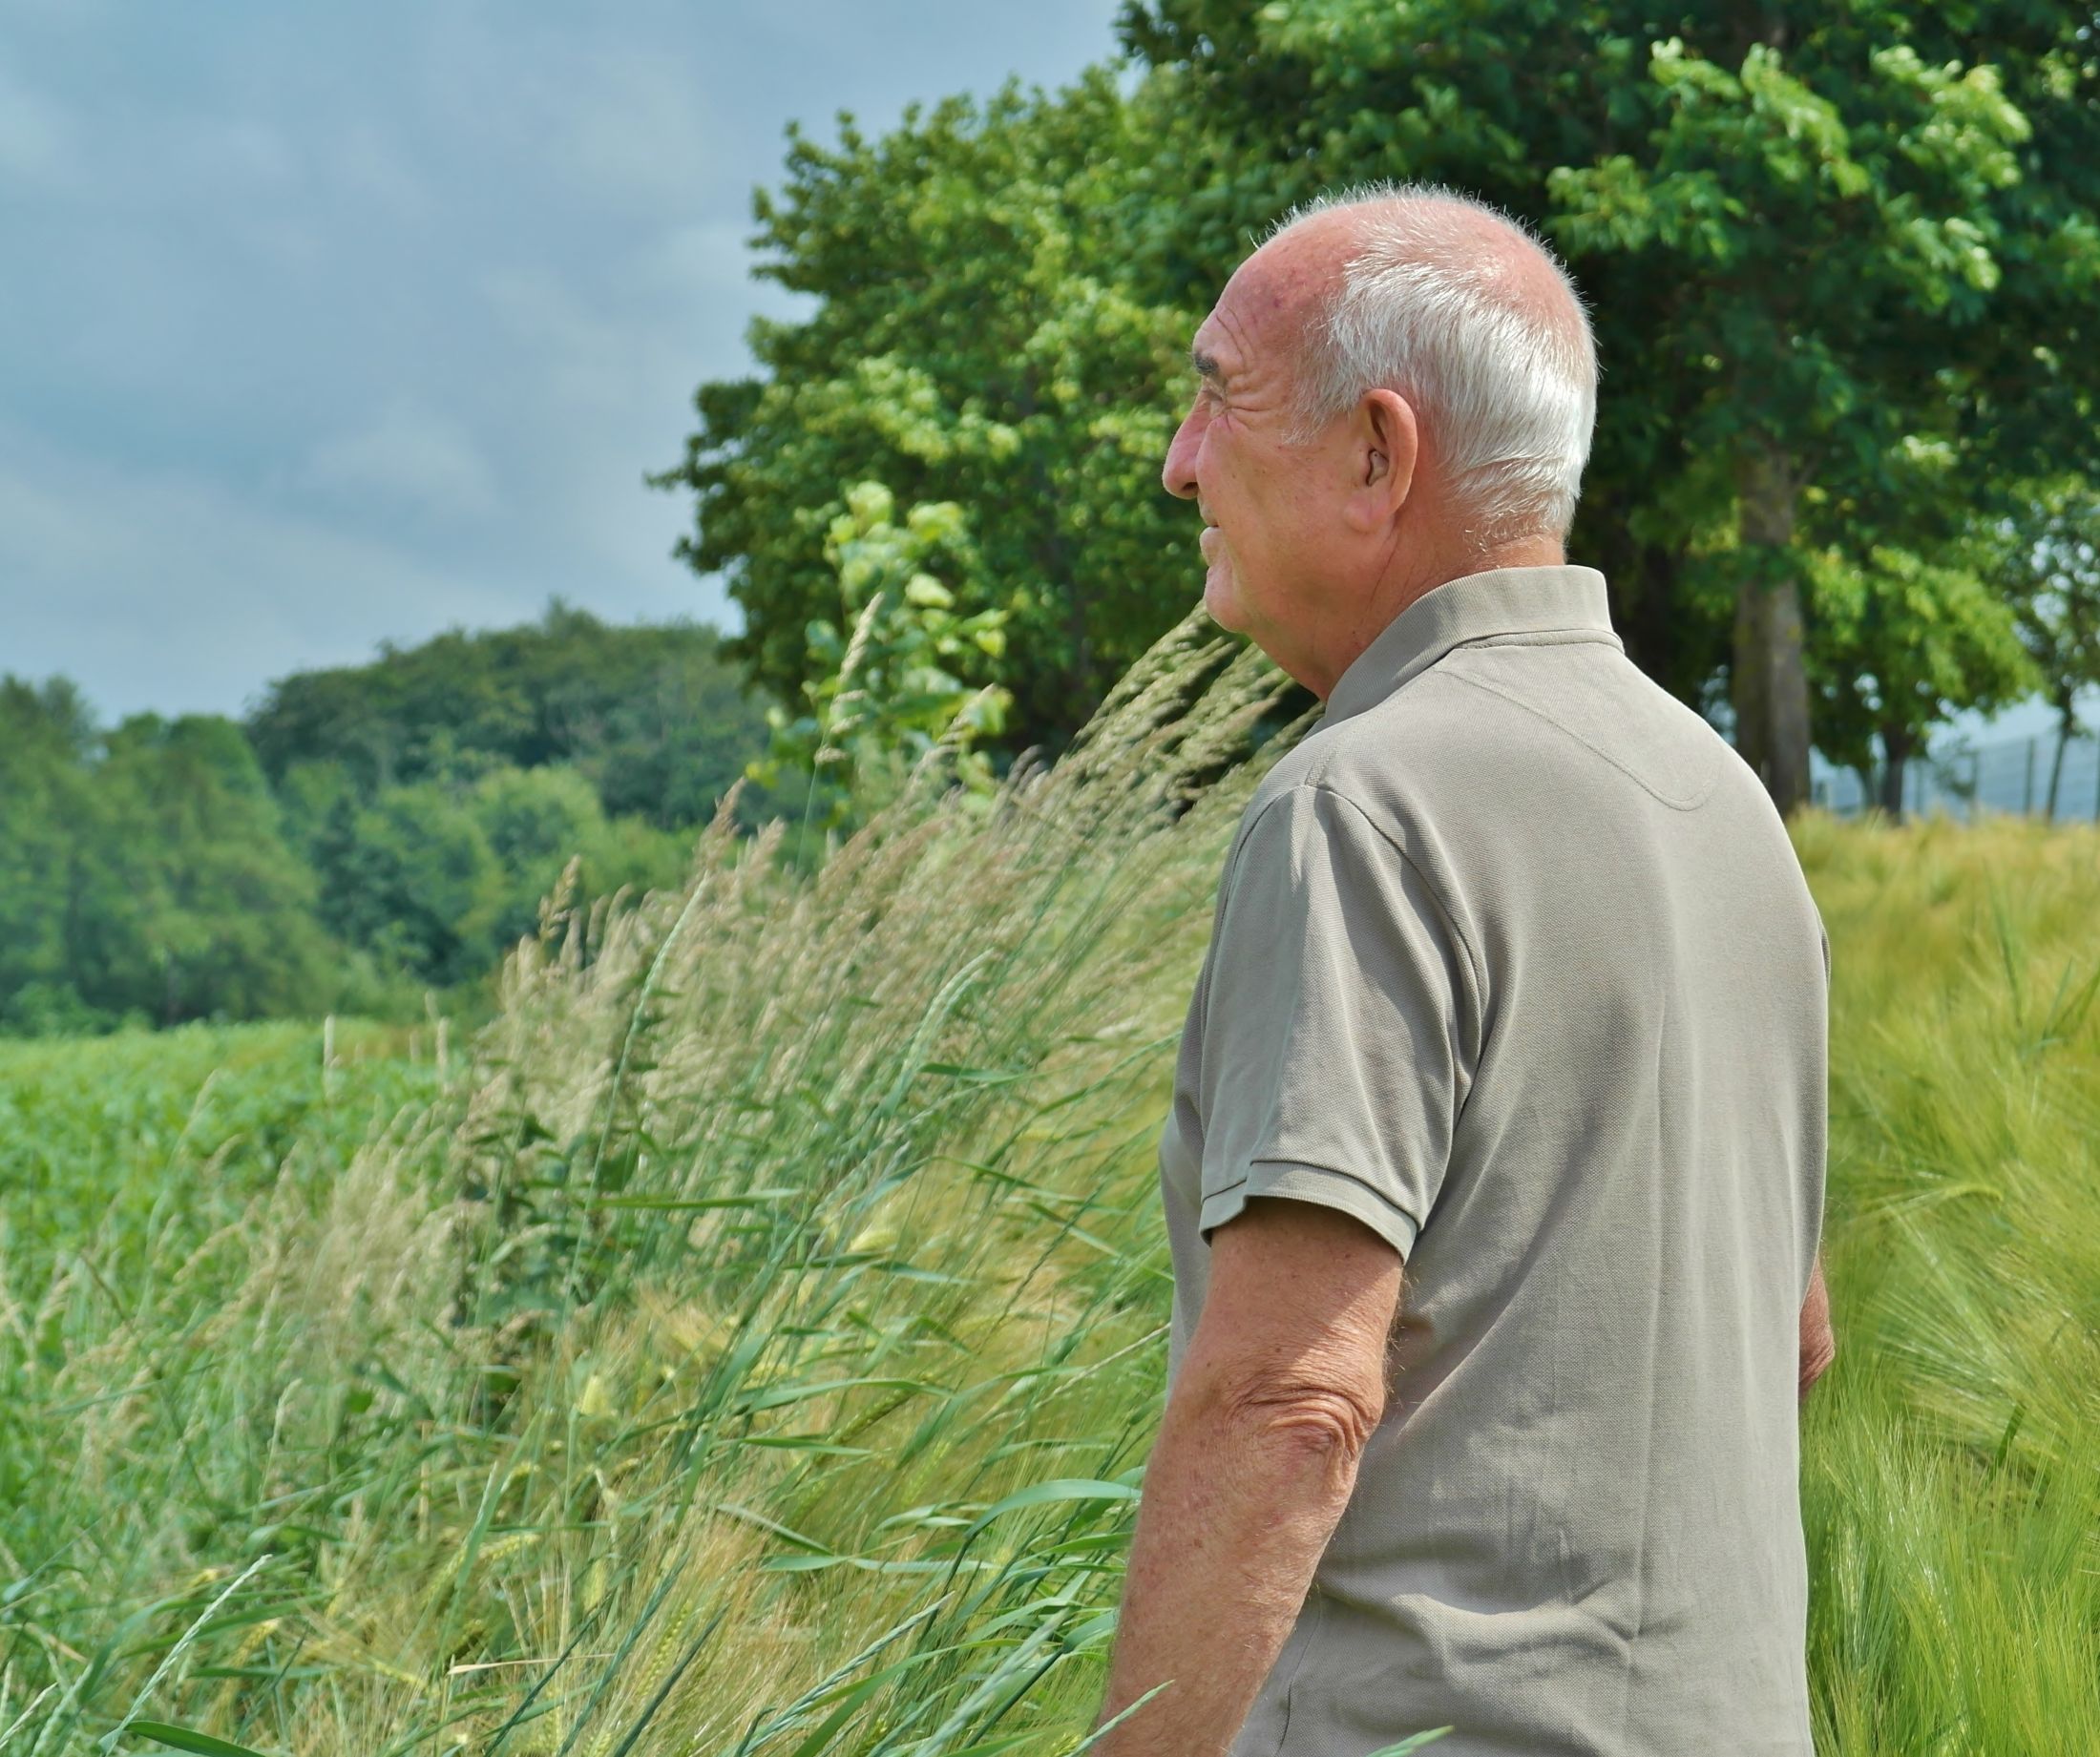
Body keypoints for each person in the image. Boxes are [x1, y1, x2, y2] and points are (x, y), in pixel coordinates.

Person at [1090, 182, 1837, 1757]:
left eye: (1217, 396)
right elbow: (1794, 1337)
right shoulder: (1725, 806)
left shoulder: (1359, 799)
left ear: (1379, 454)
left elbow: (1290, 1402)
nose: (1179, 461)